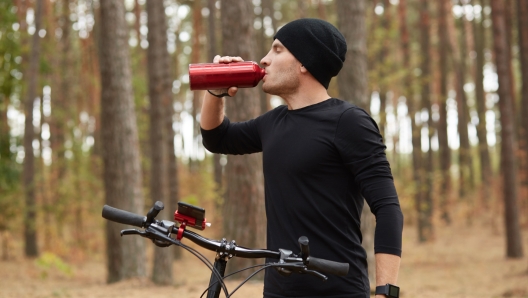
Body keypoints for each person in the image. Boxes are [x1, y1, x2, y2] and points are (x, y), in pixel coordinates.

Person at [200, 18, 403, 298]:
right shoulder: (272, 123)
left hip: (338, 291)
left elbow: (388, 208)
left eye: (277, 49)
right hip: (278, 291)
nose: (264, 60)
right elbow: (216, 138)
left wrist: (386, 292)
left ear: (305, 62)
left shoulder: (349, 122)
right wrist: (216, 90)